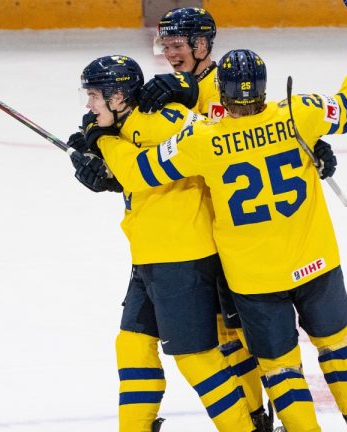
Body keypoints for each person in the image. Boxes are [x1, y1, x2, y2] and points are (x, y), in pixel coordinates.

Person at [73, 23, 347, 432]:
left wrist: (102, 141)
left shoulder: (205, 139)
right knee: (336, 342)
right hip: (315, 259)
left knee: (280, 369)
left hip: (253, 276)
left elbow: (140, 172)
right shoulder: (299, 114)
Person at [68, 55, 256, 432]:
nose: (88, 105)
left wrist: (104, 145)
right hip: (150, 255)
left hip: (181, 256)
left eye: (93, 95)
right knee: (133, 345)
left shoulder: (162, 119)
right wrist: (97, 162)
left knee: (196, 357)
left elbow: (208, 146)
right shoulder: (123, 123)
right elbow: (128, 173)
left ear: (118, 95)